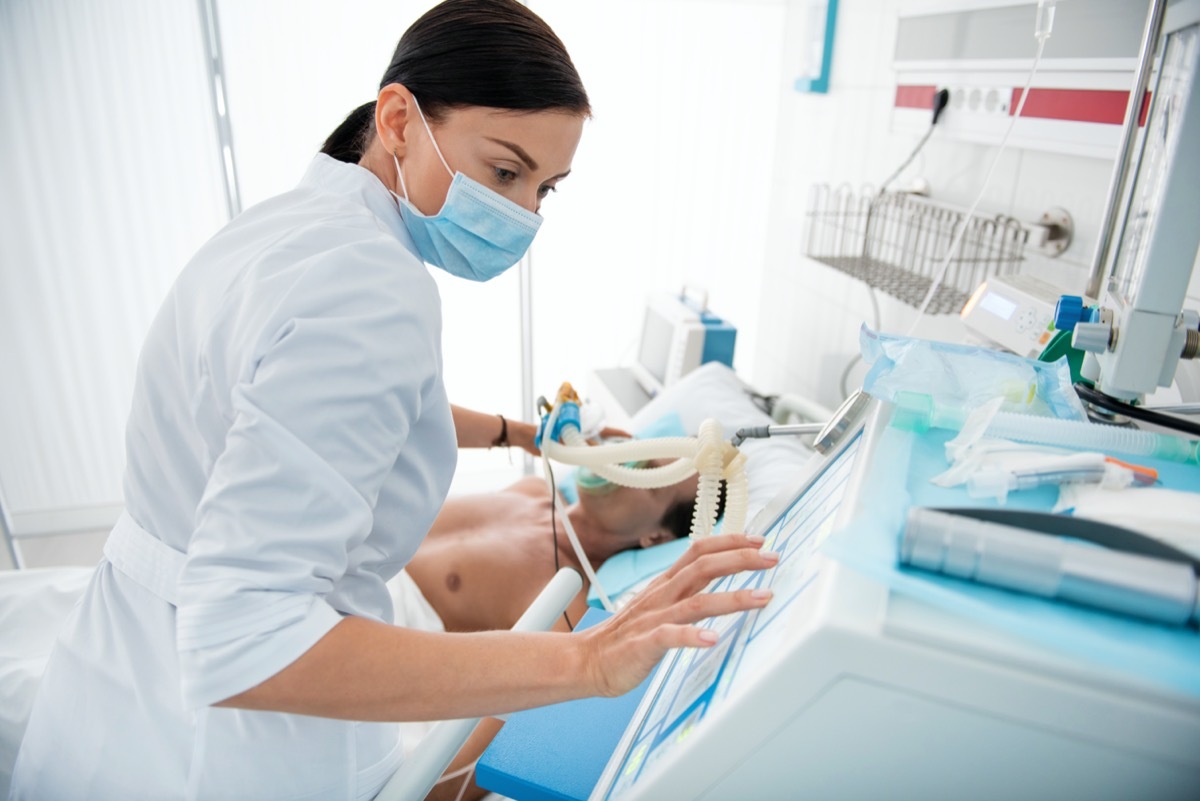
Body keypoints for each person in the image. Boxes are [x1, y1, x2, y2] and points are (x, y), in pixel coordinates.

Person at [8, 1, 776, 799]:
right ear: (399, 118)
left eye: (547, 190)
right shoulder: (372, 288)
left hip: (115, 681)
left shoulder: (283, 232)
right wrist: (588, 657)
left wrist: (519, 433)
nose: (523, 215)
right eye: (505, 172)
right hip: (208, 746)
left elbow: (334, 417)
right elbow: (245, 640)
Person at [396, 466, 722, 800]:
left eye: (652, 479)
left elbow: (449, 771)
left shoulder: (563, 615)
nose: (628, 468)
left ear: (655, 538)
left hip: (379, 633)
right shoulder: (532, 488)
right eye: (642, 455)